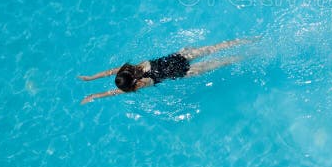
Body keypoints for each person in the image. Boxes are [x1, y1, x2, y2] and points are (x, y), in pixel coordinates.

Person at [79, 38, 252, 104]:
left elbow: (115, 92)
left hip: (187, 71)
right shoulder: (139, 66)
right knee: (215, 47)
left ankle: (250, 54)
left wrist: (96, 96)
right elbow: (110, 71)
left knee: (223, 62)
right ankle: (248, 40)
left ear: (133, 85)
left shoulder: (141, 84)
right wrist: (92, 77)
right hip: (180, 56)